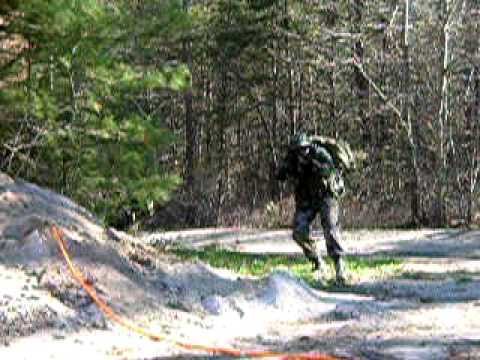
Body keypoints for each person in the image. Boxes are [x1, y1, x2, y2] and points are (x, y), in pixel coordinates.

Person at [276, 132, 351, 284]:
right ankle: (317, 261)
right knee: (299, 231)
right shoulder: (293, 159)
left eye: (303, 149)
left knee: (330, 229)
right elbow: (280, 174)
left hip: (326, 196)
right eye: (298, 150)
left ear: (309, 147)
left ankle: (339, 265)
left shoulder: (319, 153)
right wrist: (285, 170)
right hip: (307, 199)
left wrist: (313, 165)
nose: (301, 153)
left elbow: (329, 169)